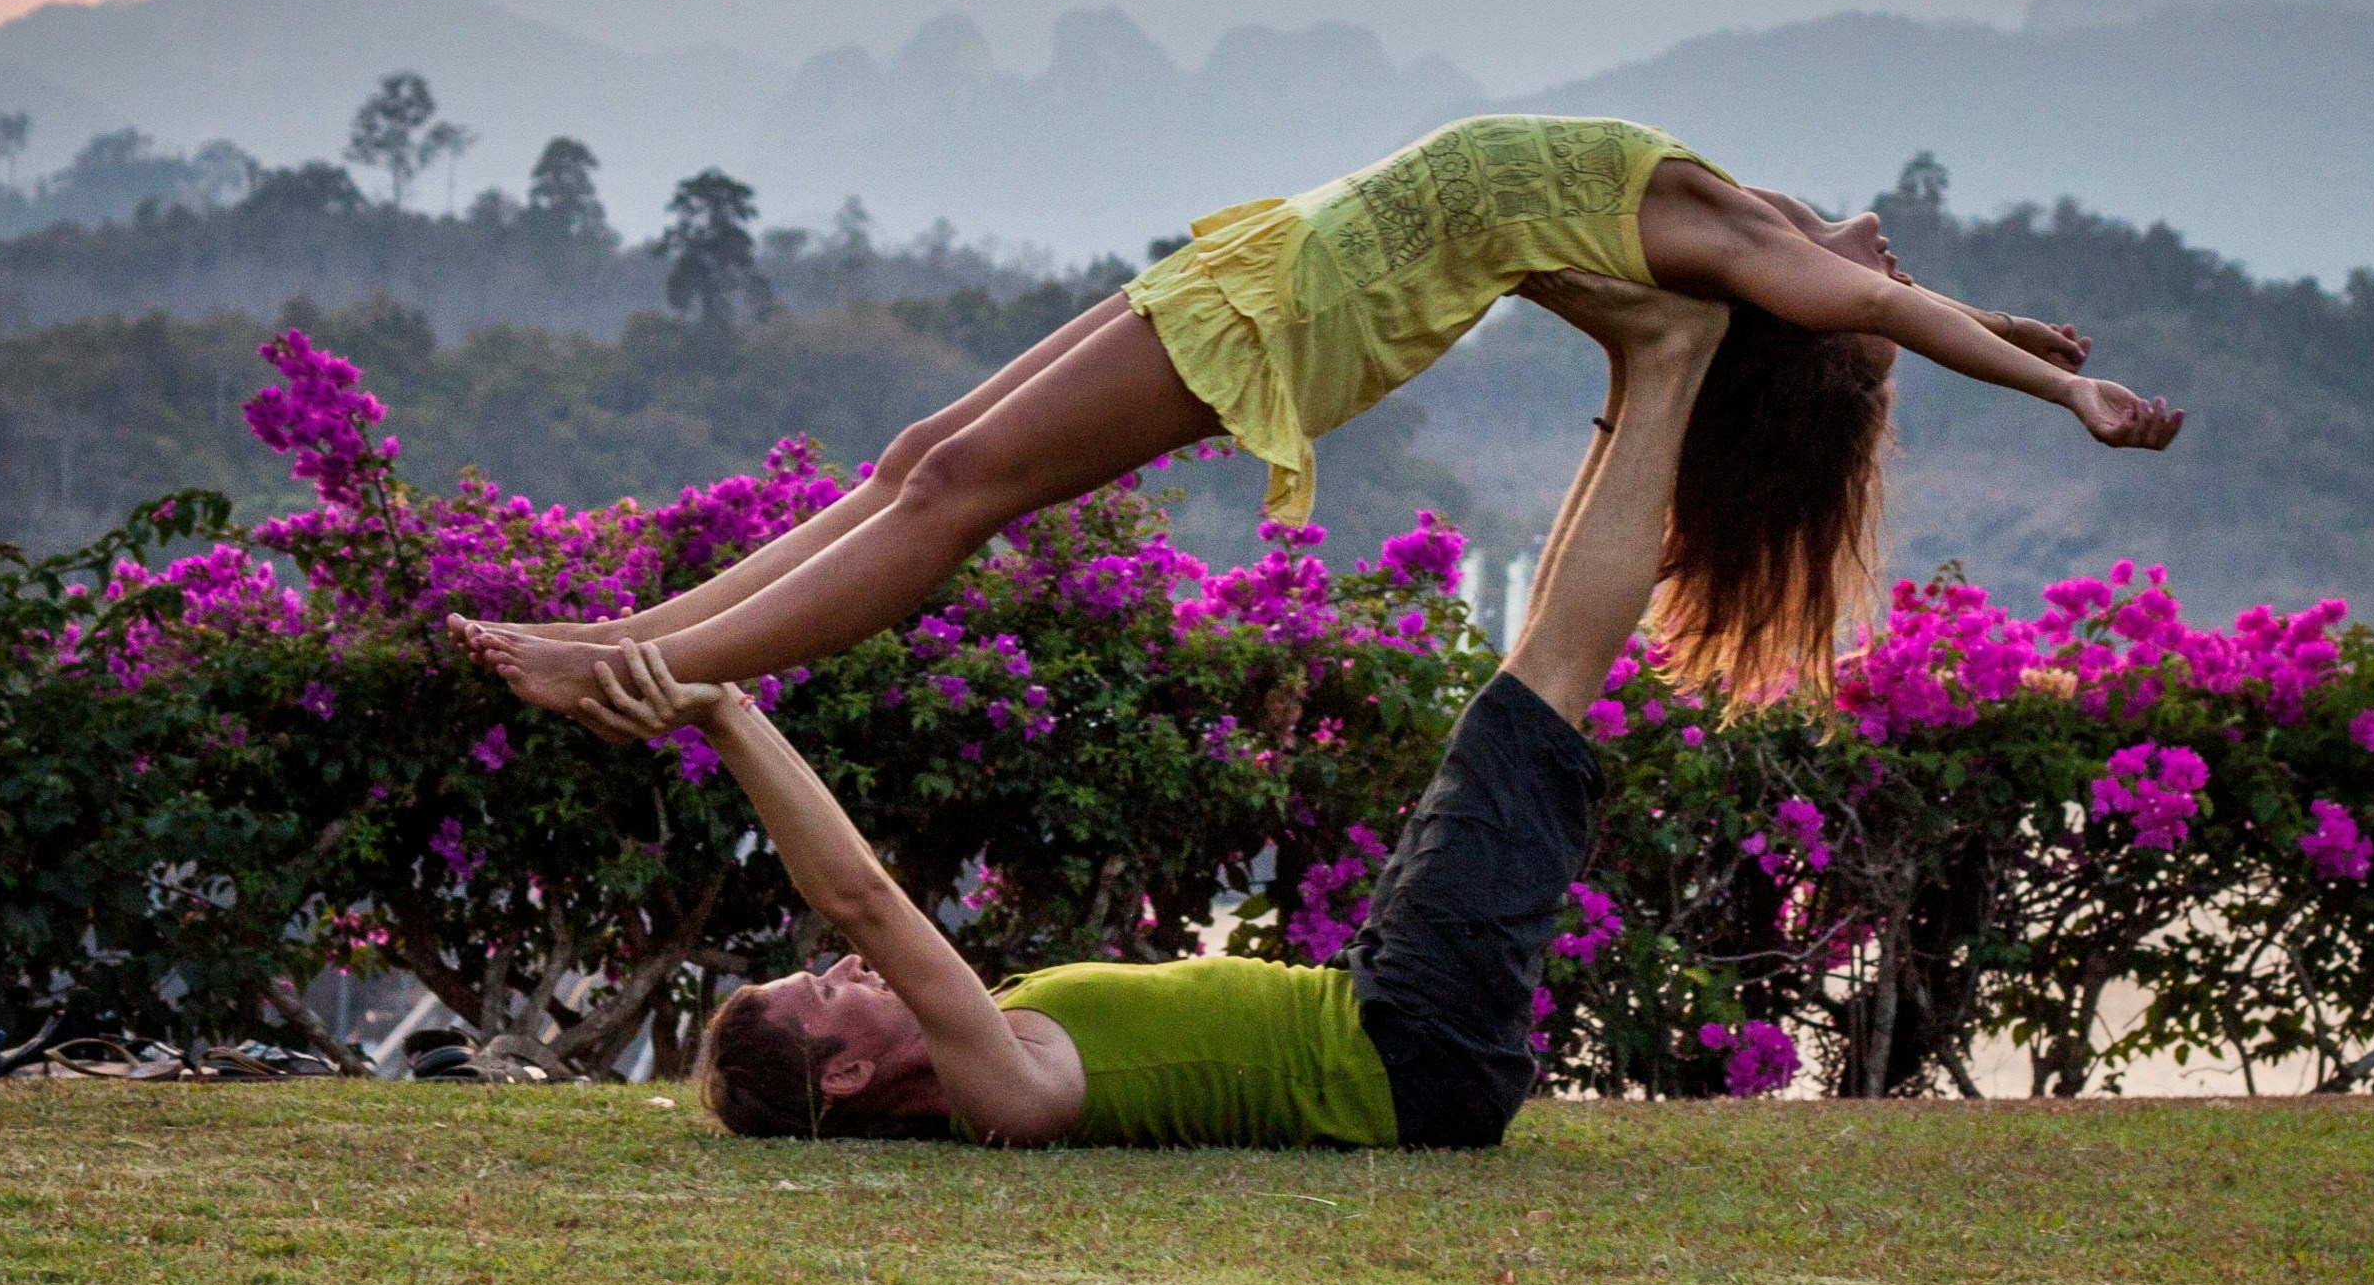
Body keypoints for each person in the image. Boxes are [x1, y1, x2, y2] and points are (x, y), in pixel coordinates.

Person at [460, 113, 2180, 717]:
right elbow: (1889, 297)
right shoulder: (1751, 225)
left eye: (1877, 297)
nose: (1892, 254)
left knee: (964, 488)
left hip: (1311, 312)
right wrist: (2014, 328)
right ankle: (632, 633)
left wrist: (2061, 389)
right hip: (1279, 255)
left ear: (1807, 314)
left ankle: (651, 676)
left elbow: (1875, 303)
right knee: (925, 455)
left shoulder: (1755, 254)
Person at [599, 272, 1731, 1146]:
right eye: (825, 990)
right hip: (1411, 1053)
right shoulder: (1001, 1090)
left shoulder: (998, 1041)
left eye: (826, 966)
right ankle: (1673, 358)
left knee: (1522, 696)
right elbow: (861, 895)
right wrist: (725, 710)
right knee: (1531, 712)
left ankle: (1644, 373)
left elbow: (862, 914)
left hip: (1386, 1015)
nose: (845, 965)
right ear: (844, 1075)